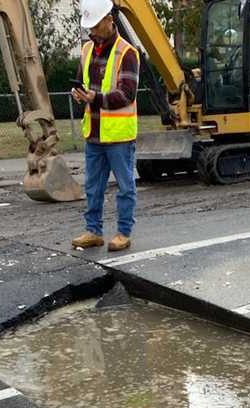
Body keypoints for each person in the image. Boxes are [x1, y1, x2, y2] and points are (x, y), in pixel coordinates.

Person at [71, 0, 139, 252]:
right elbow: (80, 81)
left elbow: (127, 94)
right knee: (93, 186)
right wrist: (77, 93)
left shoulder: (127, 52)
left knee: (124, 186)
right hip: (95, 132)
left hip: (119, 136)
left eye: (95, 26)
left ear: (109, 20)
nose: (92, 32)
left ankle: (123, 232)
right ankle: (93, 231)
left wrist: (96, 98)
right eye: (89, 27)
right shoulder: (87, 49)